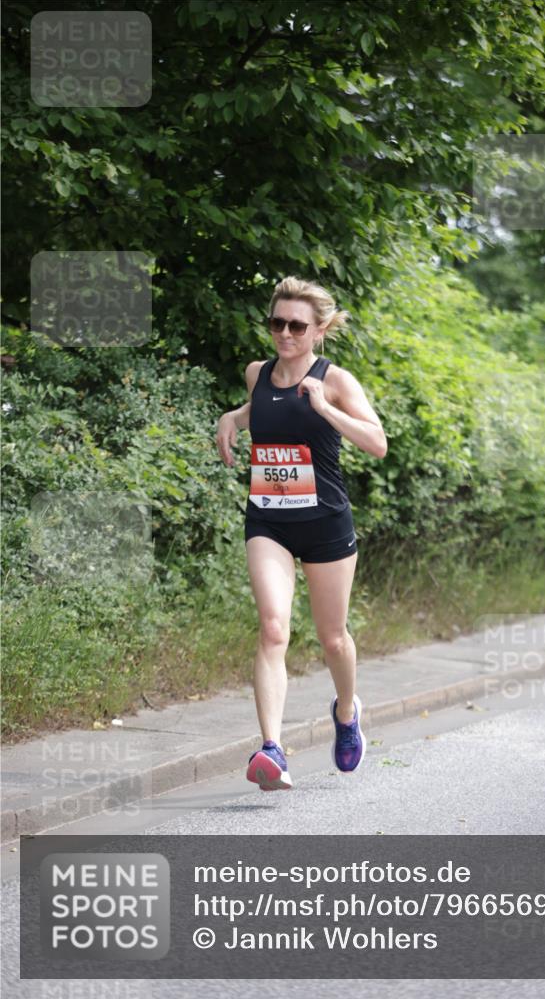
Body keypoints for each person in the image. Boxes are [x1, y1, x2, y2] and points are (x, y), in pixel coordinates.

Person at [216, 276, 387, 791]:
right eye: (277, 323)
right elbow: (265, 408)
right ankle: (271, 748)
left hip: (325, 522)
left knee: (333, 638)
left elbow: (377, 443)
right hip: (268, 519)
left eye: (297, 325)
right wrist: (234, 416)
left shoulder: (335, 380)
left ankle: (345, 710)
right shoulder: (257, 373)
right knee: (273, 628)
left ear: (319, 331)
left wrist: (326, 408)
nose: (285, 333)